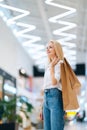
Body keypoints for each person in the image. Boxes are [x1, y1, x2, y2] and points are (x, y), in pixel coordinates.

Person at [41, 40, 65, 130]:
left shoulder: (60, 63)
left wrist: (52, 67)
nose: (48, 49)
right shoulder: (47, 65)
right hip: (46, 97)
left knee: (56, 128)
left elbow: (54, 82)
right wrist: (42, 105)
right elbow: (45, 85)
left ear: (57, 49)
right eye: (47, 47)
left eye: (50, 47)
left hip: (55, 96)